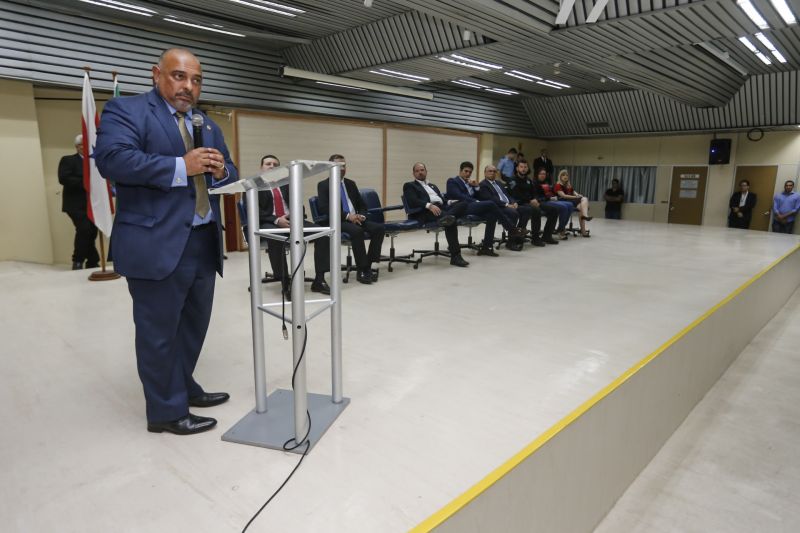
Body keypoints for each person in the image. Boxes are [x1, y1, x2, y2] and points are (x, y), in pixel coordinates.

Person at [95, 48, 237, 435]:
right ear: (157, 74)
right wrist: (181, 166)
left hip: (203, 240)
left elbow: (229, 168)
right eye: (179, 76)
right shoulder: (127, 111)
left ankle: (182, 385)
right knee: (159, 332)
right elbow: (112, 160)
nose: (188, 87)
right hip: (155, 243)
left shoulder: (205, 123)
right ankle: (165, 412)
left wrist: (222, 171)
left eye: (195, 80)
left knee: (193, 326)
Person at [258, 155, 331, 296]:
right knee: (275, 237)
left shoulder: (287, 184)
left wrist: (293, 216)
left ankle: (319, 280)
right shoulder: (255, 186)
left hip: (292, 220)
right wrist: (277, 220)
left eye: (275, 164)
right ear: (261, 168)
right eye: (268, 164)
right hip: (271, 222)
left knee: (323, 234)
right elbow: (254, 211)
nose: (272, 166)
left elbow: (299, 206)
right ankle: (285, 282)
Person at [317, 154, 384, 284]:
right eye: (338, 166)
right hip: (339, 220)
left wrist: (362, 215)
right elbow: (325, 208)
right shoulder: (323, 185)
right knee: (357, 231)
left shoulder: (350, 183)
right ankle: (362, 270)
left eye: (343, 165)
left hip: (357, 218)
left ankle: (368, 264)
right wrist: (348, 216)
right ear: (330, 167)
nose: (342, 168)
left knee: (379, 229)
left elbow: (362, 204)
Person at [445, 161, 525, 255]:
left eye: (470, 172)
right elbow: (458, 195)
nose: (468, 174)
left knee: (492, 215)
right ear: (460, 171)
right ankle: (511, 228)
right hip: (460, 207)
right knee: (491, 203)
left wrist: (476, 187)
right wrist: (476, 202)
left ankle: (487, 247)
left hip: (472, 207)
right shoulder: (452, 181)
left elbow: (478, 195)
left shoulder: (470, 183)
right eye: (466, 171)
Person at [402, 162, 469, 267]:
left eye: (422, 170)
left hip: (442, 208)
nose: (420, 172)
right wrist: (429, 205)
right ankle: (456, 257)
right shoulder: (409, 185)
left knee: (463, 203)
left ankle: (446, 217)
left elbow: (442, 200)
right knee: (451, 221)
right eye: (417, 171)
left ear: (426, 171)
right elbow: (412, 200)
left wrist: (451, 202)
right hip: (425, 212)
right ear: (413, 174)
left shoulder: (433, 186)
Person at [58, 134, 100, 270]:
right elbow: (63, 178)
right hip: (75, 204)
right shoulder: (68, 160)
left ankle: (92, 261)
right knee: (84, 229)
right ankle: (78, 261)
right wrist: (86, 181)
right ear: (77, 147)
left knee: (92, 232)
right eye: (81, 144)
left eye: (86, 144)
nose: (84, 147)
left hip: (93, 204)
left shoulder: (94, 162)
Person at [477, 164, 542, 248]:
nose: (492, 173)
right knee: (513, 213)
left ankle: (519, 237)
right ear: (485, 173)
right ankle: (511, 242)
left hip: (509, 205)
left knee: (526, 210)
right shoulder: (483, 184)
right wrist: (507, 205)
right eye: (490, 171)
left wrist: (513, 202)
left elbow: (508, 195)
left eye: (494, 171)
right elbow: (491, 199)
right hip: (498, 207)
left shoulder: (499, 183)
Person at [504, 160, 560, 245]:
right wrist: (530, 201)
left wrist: (535, 199)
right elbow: (516, 195)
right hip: (518, 203)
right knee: (536, 210)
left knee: (554, 210)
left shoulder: (528, 180)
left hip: (531, 202)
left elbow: (534, 193)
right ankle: (535, 238)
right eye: (521, 167)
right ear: (517, 168)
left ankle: (547, 236)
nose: (523, 169)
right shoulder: (512, 180)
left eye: (525, 167)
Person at [534, 168, 574, 239]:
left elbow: (550, 192)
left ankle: (561, 227)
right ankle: (560, 230)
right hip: (544, 201)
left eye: (544, 174)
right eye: (541, 174)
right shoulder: (534, 183)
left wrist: (553, 196)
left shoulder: (546, 182)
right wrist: (549, 198)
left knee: (570, 205)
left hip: (551, 200)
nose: (543, 175)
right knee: (564, 207)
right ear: (537, 174)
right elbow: (537, 196)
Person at [555, 169, 592, 237]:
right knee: (583, 202)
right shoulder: (558, 185)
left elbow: (574, 192)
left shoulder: (569, 185)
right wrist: (576, 197)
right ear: (560, 176)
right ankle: (585, 217)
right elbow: (563, 196)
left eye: (566, 175)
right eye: (563, 175)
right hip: (564, 201)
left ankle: (583, 226)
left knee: (583, 201)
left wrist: (578, 195)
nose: (565, 176)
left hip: (572, 201)